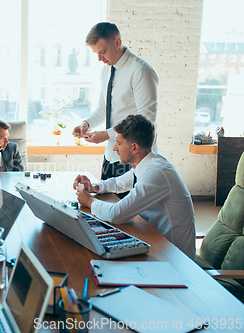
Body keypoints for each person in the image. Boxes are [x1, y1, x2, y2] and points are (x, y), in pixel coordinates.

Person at [74, 115, 196, 259]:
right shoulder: (150, 163)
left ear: (134, 147)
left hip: (175, 258)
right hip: (155, 241)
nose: (114, 148)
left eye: (118, 143)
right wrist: (93, 187)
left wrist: (89, 201)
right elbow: (119, 183)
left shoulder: (156, 173)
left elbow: (117, 214)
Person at [73, 22, 158, 197]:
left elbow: (146, 119)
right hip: (111, 155)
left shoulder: (141, 71)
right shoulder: (106, 71)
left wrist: (106, 135)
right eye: (96, 53)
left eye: (102, 52)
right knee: (106, 209)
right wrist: (86, 123)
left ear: (117, 43)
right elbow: (103, 109)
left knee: (131, 219)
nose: (99, 58)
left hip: (134, 155)